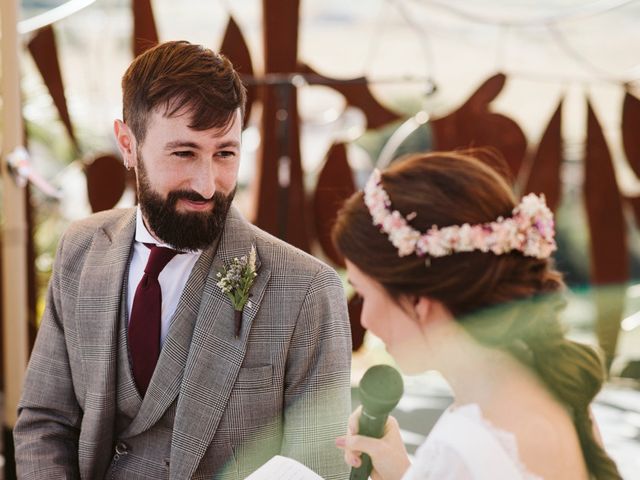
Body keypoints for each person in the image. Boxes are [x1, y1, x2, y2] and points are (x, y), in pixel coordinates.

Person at [14, 40, 352, 480]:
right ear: (128, 145)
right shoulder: (80, 249)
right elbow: (44, 420)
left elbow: (317, 466)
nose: (207, 185)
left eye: (225, 154)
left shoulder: (307, 289)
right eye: (184, 153)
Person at [333, 151, 621, 479]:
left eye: (364, 293)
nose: (364, 319)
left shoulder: (460, 448)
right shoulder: (561, 396)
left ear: (417, 301)